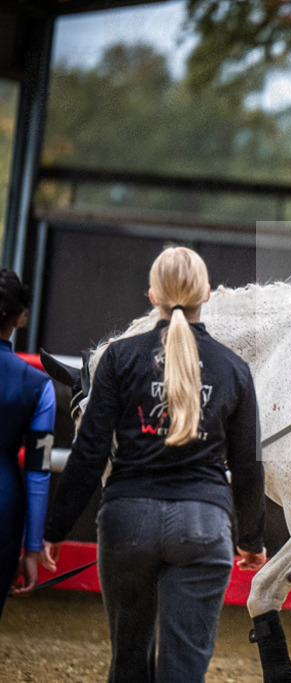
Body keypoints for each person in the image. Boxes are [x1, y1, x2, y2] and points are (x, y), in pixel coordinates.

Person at [42, 247, 267, 682]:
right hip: (203, 525)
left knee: (128, 664)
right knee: (183, 671)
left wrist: (55, 528)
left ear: (152, 295)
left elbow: (89, 452)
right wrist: (252, 540)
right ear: (206, 293)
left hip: (128, 522)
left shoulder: (119, 359)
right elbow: (247, 466)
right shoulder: (234, 369)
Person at [0, 269, 57, 618]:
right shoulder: (39, 385)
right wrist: (32, 550)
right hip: (4, 504)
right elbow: (38, 472)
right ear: (20, 318)